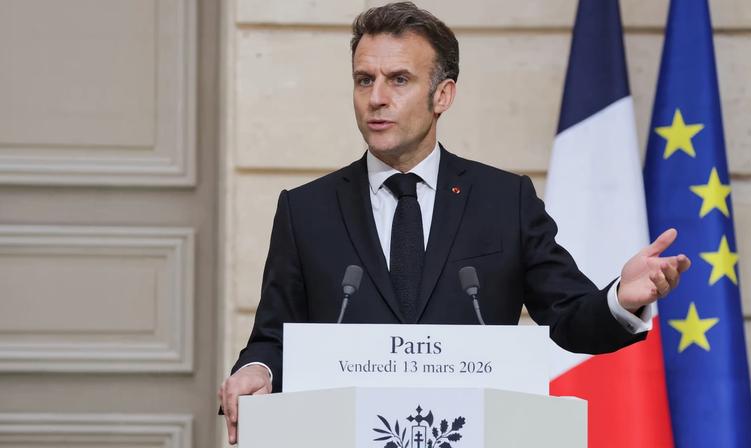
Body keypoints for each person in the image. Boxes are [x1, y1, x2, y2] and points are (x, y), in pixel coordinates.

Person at [218, 2, 691, 444]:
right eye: (365, 80)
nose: (377, 98)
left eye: (398, 79)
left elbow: (568, 317)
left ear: (442, 94)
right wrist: (257, 368)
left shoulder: (504, 201)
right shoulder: (306, 210)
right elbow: (273, 335)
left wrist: (620, 299)